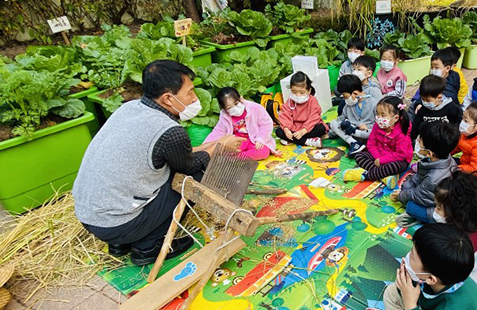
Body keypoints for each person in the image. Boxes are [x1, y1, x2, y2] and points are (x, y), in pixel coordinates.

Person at [72, 60, 241, 265]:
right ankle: (148, 246)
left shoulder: (130, 108)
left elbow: (172, 154)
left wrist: (213, 145)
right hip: (116, 223)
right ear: (168, 98)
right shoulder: (169, 131)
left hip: (90, 214)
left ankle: (122, 243)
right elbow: (189, 165)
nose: (195, 98)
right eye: (189, 92)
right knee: (196, 175)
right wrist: (219, 148)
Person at [392, 121, 459, 225]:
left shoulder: (434, 178)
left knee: (410, 205)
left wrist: (401, 195)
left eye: (420, 143)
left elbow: (419, 196)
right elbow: (419, 177)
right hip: (434, 197)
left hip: (440, 210)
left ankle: (422, 219)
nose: (417, 143)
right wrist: (405, 188)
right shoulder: (444, 158)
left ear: (429, 153)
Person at [433, 172, 477, 288]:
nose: (435, 211)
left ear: (456, 214)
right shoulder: (472, 226)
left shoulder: (454, 242)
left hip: (462, 286)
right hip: (474, 277)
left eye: (438, 208)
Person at [342, 96, 413, 188]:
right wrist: (378, 158)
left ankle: (365, 176)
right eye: (377, 114)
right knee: (359, 155)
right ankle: (382, 176)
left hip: (397, 160)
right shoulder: (377, 126)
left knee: (393, 167)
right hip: (379, 155)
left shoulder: (402, 132)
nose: (379, 117)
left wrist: (382, 160)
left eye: (383, 115)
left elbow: (400, 155)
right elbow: (371, 144)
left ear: (395, 118)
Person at [204, 87, 278, 160]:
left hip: (255, 139)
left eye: (236, 103)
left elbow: (266, 124)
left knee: (263, 152)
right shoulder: (225, 116)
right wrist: (205, 146)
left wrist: (261, 139)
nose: (234, 108)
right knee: (225, 151)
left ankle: (239, 158)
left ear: (241, 98)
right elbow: (218, 132)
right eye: (229, 108)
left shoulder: (255, 108)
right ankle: (240, 158)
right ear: (224, 109)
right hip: (238, 141)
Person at [329, 74, 379, 158]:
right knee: (334, 122)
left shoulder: (374, 103)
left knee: (377, 131)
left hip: (367, 134)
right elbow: (340, 120)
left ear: (355, 93)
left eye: (346, 97)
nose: (345, 100)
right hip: (353, 135)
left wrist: (368, 127)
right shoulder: (348, 106)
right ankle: (354, 143)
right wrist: (331, 133)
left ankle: (357, 139)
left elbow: (380, 124)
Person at [276, 72, 326, 147]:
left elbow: (314, 117)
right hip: (294, 127)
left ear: (309, 91)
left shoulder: (312, 100)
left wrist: (303, 131)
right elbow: (285, 115)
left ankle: (294, 140)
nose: (298, 95)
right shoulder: (290, 101)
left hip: (308, 128)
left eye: (302, 93)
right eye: (294, 92)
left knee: (321, 129)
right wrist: (286, 130)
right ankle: (307, 141)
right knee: (279, 131)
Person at [410, 75, 462, 142]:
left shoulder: (451, 108)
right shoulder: (423, 109)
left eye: (428, 100)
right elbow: (416, 125)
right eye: (423, 99)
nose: (425, 102)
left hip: (444, 140)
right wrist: (411, 139)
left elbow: (457, 121)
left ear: (439, 97)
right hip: (426, 141)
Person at [335, 37, 367, 116]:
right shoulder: (345, 65)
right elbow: (339, 81)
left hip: (359, 90)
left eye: (355, 51)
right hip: (346, 90)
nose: (352, 53)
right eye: (350, 51)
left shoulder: (365, 64)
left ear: (362, 53)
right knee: (336, 90)